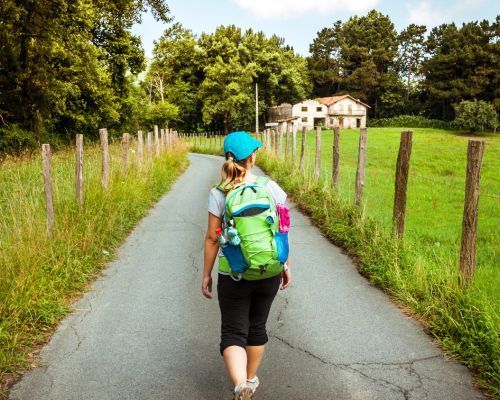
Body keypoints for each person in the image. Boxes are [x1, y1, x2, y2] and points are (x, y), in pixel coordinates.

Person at [202, 131, 291, 400]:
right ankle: (250, 379)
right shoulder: (269, 187)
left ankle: (240, 384)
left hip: (233, 273)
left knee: (233, 330)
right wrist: (284, 262)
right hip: (269, 269)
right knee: (257, 326)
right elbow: (281, 228)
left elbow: (211, 238)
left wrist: (206, 274)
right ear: (252, 157)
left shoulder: (218, 193)